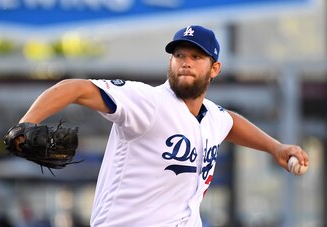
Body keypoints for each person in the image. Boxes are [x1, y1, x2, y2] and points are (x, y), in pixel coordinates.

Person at [16, 25, 309, 226]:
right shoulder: (148, 102)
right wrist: (26, 124)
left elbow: (230, 123)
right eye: (179, 55)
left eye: (196, 57)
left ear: (214, 68)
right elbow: (75, 88)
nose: (186, 62)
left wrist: (276, 147)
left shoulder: (211, 116)